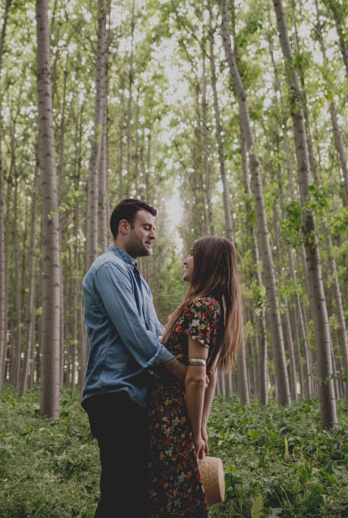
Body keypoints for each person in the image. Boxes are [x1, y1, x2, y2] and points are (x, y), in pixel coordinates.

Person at [82, 198, 188, 518]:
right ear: (124, 227)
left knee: (137, 492)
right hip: (114, 393)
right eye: (146, 227)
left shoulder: (138, 280)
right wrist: (179, 370)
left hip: (136, 396)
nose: (153, 234)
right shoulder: (108, 268)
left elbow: (157, 332)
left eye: (154, 229)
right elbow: (135, 334)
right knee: (120, 492)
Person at [148, 236, 244, 518]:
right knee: (182, 501)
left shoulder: (199, 308)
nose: (185, 259)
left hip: (170, 419)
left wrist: (192, 431)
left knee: (171, 503)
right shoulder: (216, 308)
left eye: (191, 254)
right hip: (178, 419)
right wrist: (200, 427)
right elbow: (210, 375)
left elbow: (197, 378)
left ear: (206, 263)